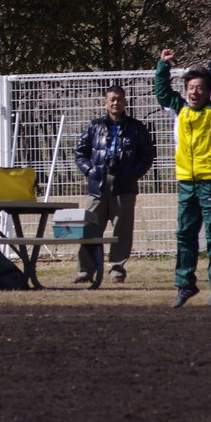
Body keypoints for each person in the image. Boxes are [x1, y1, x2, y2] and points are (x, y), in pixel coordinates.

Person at [154, 48, 211, 308]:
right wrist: (163, 66)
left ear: (208, 90)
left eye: (199, 88)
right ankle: (185, 284)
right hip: (186, 182)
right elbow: (163, 93)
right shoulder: (179, 110)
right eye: (190, 87)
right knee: (185, 234)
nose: (194, 92)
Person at [72, 85, 155, 285]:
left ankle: (117, 269)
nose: (115, 103)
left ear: (125, 102)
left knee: (122, 229)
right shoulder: (94, 126)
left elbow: (147, 155)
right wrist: (90, 171)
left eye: (119, 99)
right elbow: (79, 153)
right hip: (97, 184)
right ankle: (85, 270)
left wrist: (132, 174)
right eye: (112, 99)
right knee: (90, 227)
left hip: (124, 184)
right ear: (105, 102)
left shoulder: (136, 127)